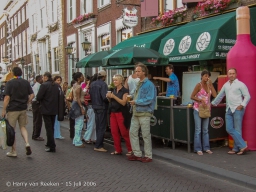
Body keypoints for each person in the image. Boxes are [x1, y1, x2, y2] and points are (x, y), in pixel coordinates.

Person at [211, 68, 250, 155]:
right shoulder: (226, 85)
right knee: (229, 128)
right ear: (228, 75)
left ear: (236, 74)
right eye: (230, 73)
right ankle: (243, 145)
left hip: (238, 109)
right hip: (228, 109)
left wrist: (242, 105)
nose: (231, 75)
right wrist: (212, 103)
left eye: (233, 73)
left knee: (237, 129)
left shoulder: (241, 84)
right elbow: (220, 96)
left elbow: (247, 96)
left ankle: (236, 148)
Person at [2, 67, 34, 157]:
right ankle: (27, 143)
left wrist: (4, 110)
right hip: (22, 109)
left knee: (12, 130)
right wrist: (27, 102)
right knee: (23, 127)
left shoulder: (10, 83)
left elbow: (7, 98)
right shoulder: (26, 82)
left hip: (12, 109)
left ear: (12, 73)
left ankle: (14, 151)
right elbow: (32, 94)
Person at [128, 63, 156, 163]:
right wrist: (132, 98)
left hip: (144, 112)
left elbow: (149, 99)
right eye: (136, 71)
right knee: (132, 132)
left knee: (145, 135)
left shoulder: (149, 84)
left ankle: (148, 155)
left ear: (144, 72)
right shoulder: (139, 83)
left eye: (139, 71)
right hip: (136, 111)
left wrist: (136, 102)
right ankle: (137, 153)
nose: (137, 73)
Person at [190, 70, 217, 155]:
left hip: (207, 109)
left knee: (205, 130)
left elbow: (215, 95)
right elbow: (192, 96)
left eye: (208, 76)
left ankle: (206, 147)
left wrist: (211, 84)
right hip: (198, 108)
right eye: (205, 76)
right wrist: (200, 99)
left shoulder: (209, 86)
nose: (206, 77)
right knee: (198, 129)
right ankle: (198, 148)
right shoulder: (199, 85)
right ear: (201, 76)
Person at [106, 74, 132, 155]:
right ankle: (118, 149)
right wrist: (109, 98)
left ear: (121, 81)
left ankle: (130, 149)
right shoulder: (113, 90)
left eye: (116, 80)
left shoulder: (125, 90)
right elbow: (111, 101)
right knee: (114, 132)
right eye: (114, 80)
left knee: (124, 132)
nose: (114, 82)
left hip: (121, 113)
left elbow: (123, 103)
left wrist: (113, 96)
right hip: (113, 112)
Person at [37, 72, 59, 152]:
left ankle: (52, 146)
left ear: (46, 77)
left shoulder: (44, 85)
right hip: (54, 109)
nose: (42, 78)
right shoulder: (56, 85)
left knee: (48, 128)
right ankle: (49, 143)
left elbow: (39, 97)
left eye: (43, 77)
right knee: (51, 127)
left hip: (46, 109)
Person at [90, 70, 109, 152]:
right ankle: (99, 145)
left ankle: (98, 143)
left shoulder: (93, 84)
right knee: (102, 126)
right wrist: (109, 100)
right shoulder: (103, 84)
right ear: (104, 77)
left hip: (95, 106)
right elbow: (104, 97)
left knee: (98, 125)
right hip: (102, 107)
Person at [70, 72, 86, 148]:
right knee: (79, 124)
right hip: (78, 105)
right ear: (79, 78)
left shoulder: (74, 85)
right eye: (82, 76)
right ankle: (78, 141)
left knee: (77, 123)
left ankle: (75, 139)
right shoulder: (79, 87)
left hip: (74, 104)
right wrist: (81, 108)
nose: (83, 77)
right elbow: (78, 98)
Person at [82, 76, 96, 144]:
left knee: (92, 123)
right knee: (91, 123)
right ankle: (86, 137)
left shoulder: (88, 88)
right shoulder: (90, 89)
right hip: (91, 107)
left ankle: (93, 137)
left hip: (89, 107)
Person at [32, 75, 44, 141]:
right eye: (42, 78)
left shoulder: (37, 85)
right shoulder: (37, 86)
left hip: (35, 103)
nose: (43, 79)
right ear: (39, 79)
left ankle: (35, 134)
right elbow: (37, 96)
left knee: (36, 119)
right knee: (38, 120)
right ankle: (36, 135)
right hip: (37, 103)